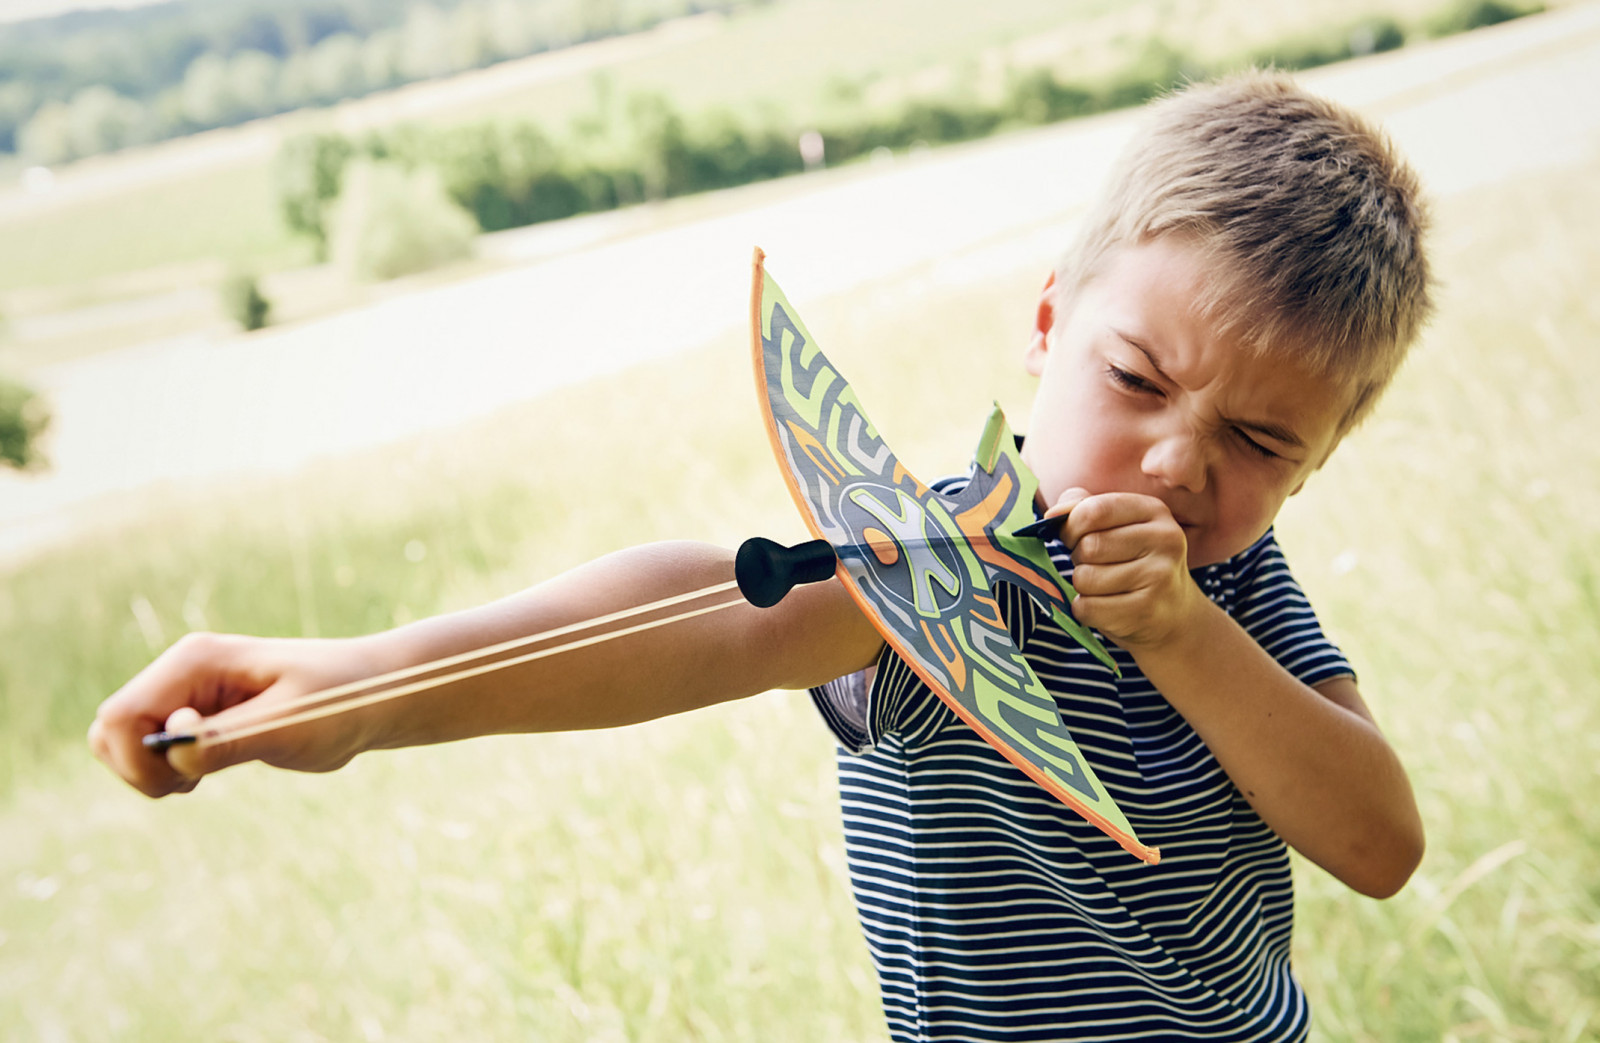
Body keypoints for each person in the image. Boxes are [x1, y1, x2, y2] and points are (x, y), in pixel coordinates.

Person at [91, 71, 1430, 1040]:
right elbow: (722, 609)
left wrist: (1186, 635)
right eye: (1136, 377)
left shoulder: (1240, 590)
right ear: (1049, 321)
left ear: (1316, 463)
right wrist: (371, 689)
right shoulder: (936, 558)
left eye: (1260, 443)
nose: (1177, 467)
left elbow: (1377, 842)